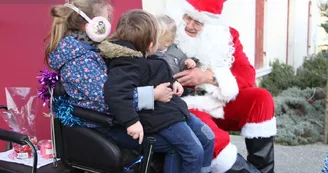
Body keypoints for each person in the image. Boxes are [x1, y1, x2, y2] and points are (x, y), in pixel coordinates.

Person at [44, 1, 191, 173]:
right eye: (106, 19)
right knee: (175, 145)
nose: (108, 25)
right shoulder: (79, 61)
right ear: (92, 25)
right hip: (103, 126)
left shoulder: (92, 50)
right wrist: (152, 95)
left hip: (118, 117)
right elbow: (108, 98)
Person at [163, 0, 276, 173]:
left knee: (261, 99)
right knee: (207, 131)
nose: (190, 26)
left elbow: (247, 74)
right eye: (187, 18)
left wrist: (211, 77)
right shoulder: (166, 33)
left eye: (199, 22)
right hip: (186, 105)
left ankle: (263, 170)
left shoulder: (225, 37)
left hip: (219, 100)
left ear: (210, 26)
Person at [99, 9, 214, 173]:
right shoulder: (125, 63)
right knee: (194, 152)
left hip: (174, 110)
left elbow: (155, 73)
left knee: (208, 137)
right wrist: (131, 121)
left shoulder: (144, 56)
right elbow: (116, 93)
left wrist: (173, 82)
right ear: (151, 44)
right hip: (161, 118)